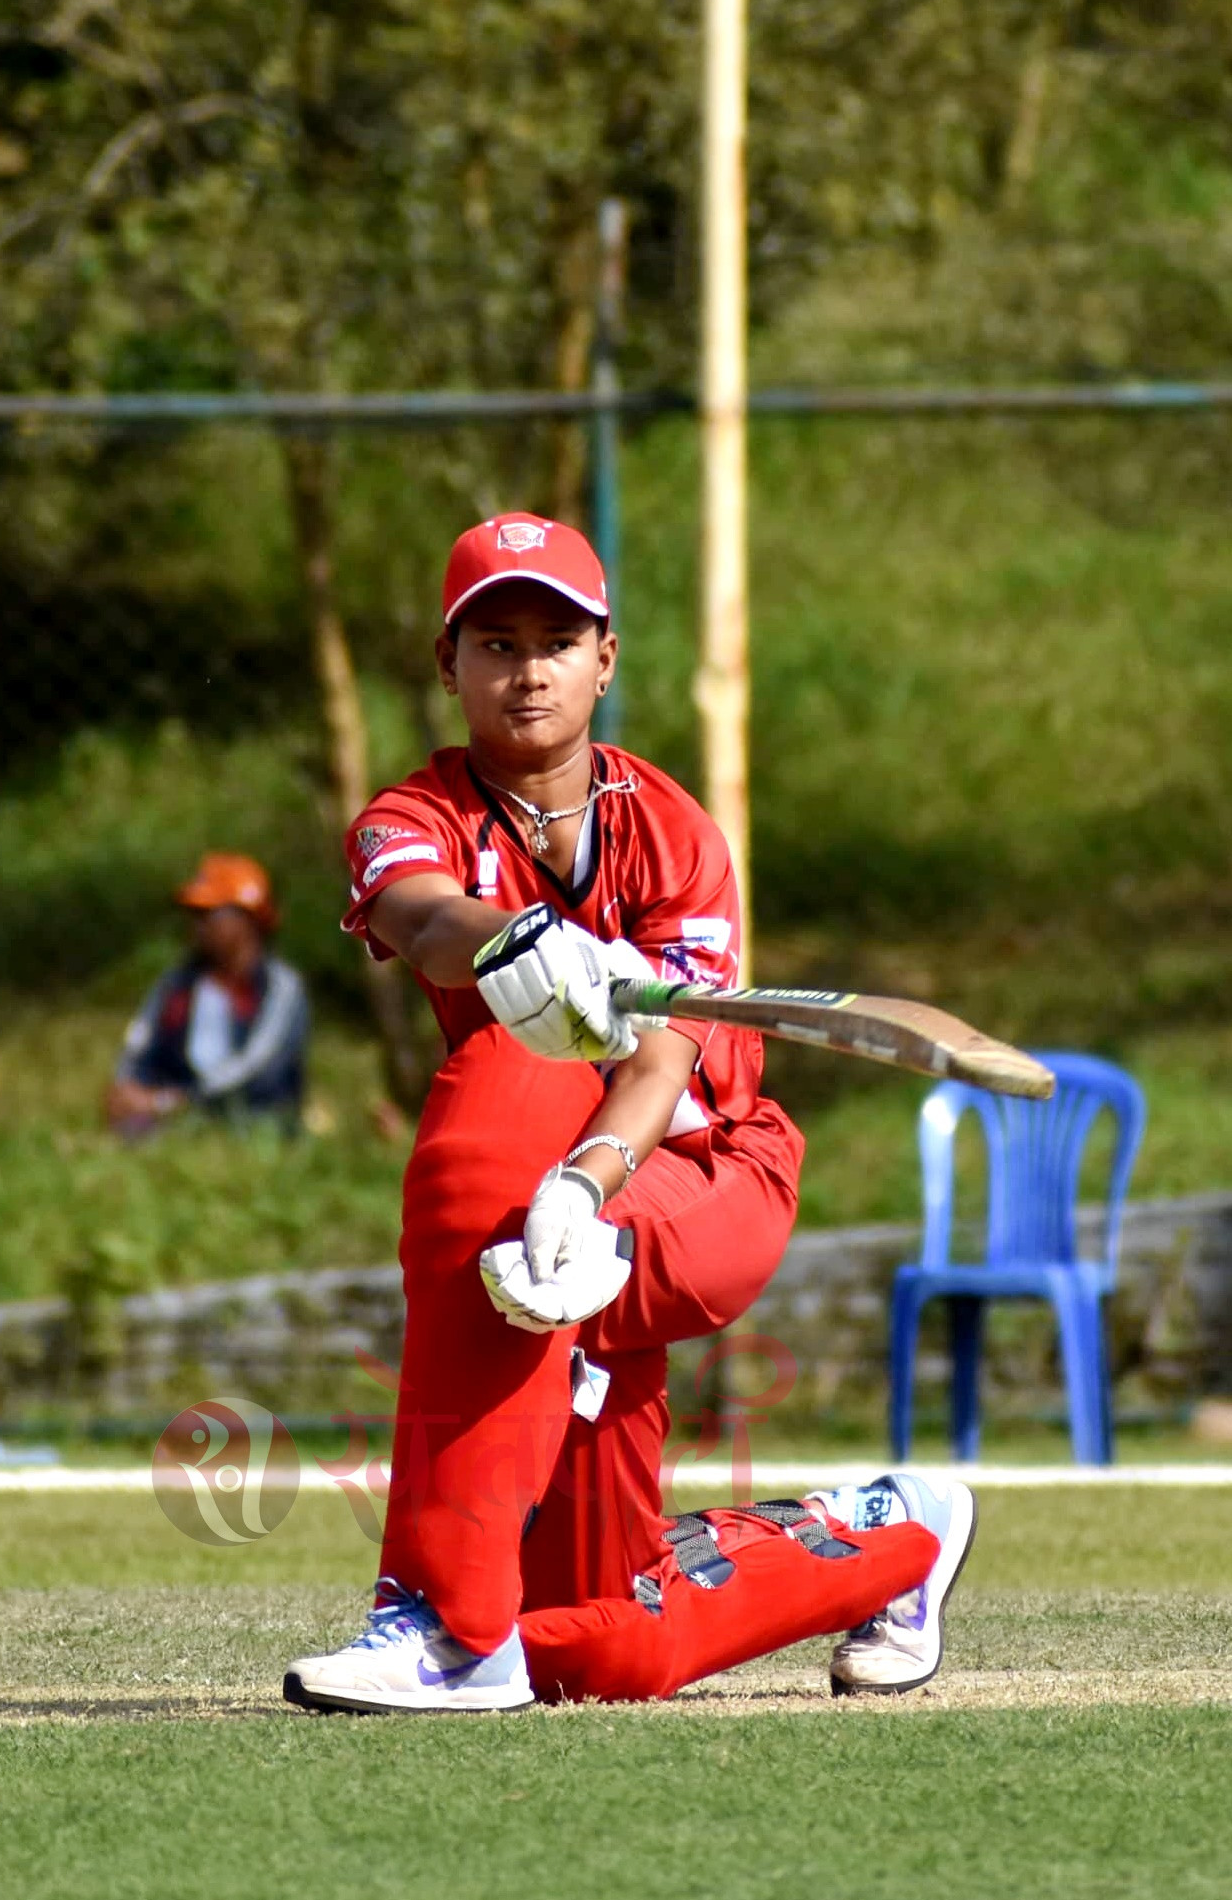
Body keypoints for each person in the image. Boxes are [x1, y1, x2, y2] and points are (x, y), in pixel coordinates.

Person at [281, 511, 973, 1714]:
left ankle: (441, 1623)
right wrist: (520, 940)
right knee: (601, 1650)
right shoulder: (406, 816)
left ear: (607, 659)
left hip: (701, 1179)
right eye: (495, 642)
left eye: (559, 639)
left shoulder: (676, 835)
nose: (528, 668)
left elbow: (661, 1062)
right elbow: (423, 919)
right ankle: (895, 1532)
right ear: (447, 667)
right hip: (527, 1208)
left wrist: (583, 1185)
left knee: (506, 1099)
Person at [105, 852, 311, 1136]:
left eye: (207, 914)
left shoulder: (282, 988)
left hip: (254, 1123)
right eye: (194, 915)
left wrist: (172, 1102)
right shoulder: (177, 984)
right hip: (174, 1119)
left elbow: (258, 1070)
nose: (197, 926)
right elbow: (140, 1043)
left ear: (247, 920)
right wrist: (126, 1088)